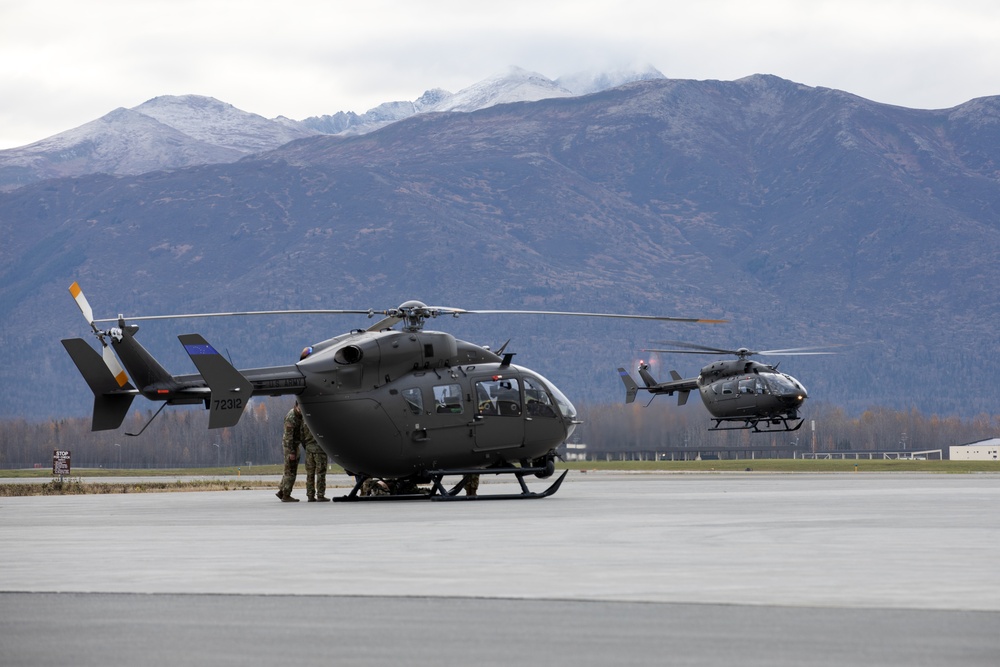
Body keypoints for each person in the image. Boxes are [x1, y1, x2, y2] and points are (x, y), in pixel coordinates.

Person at [277, 402, 314, 502]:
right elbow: (289, 438)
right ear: (296, 406)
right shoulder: (291, 417)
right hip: (290, 446)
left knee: (288, 469)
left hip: (295, 444)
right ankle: (286, 495)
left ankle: (282, 491)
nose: (301, 410)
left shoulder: (301, 415)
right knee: (291, 471)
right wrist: (291, 452)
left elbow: (301, 433)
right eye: (299, 408)